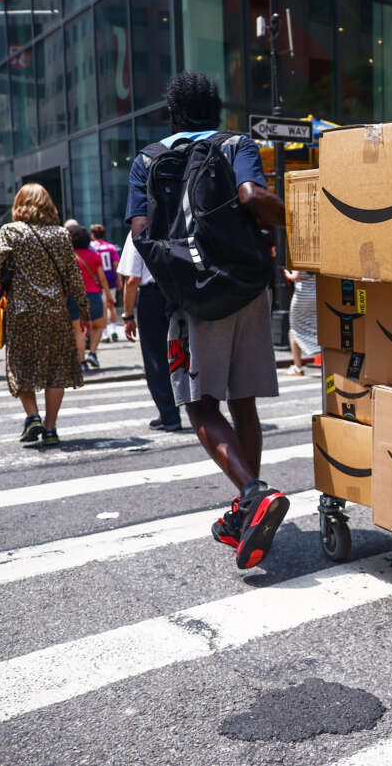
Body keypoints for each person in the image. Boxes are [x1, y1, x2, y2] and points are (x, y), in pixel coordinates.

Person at [127, 72, 287, 570]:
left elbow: (139, 231)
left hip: (191, 299)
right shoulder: (236, 142)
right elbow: (252, 198)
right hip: (245, 290)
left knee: (199, 407)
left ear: (172, 113)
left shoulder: (148, 159)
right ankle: (250, 506)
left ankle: (252, 495)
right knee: (244, 404)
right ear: (215, 109)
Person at [0, 184, 90, 446]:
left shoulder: (10, 231)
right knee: (56, 370)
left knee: (21, 365)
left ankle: (32, 416)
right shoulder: (61, 234)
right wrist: (84, 310)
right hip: (55, 310)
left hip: (21, 310)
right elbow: (73, 275)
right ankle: (51, 428)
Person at [118, 233, 181, 432]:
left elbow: (132, 279)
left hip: (153, 296)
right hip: (181, 292)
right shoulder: (178, 222)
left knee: (156, 358)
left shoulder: (139, 231)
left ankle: (169, 415)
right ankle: (200, 411)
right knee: (184, 353)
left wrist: (128, 315)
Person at [68, 224, 111, 370]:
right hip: (93, 294)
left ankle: (81, 362)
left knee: (78, 329)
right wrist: (109, 295)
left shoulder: (68, 257)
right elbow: (102, 278)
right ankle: (92, 353)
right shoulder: (94, 255)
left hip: (74, 296)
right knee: (99, 325)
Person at [283, 269, 320, 376]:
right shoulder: (317, 256)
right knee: (316, 328)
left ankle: (297, 366)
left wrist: (286, 273)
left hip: (302, 298)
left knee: (294, 331)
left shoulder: (300, 254)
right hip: (316, 295)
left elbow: (295, 276)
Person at [89, 224, 120, 330]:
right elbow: (116, 264)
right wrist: (119, 280)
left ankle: (105, 333)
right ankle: (114, 330)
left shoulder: (91, 247)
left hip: (97, 280)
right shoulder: (111, 247)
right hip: (111, 278)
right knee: (111, 304)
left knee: (102, 307)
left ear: (93, 235)